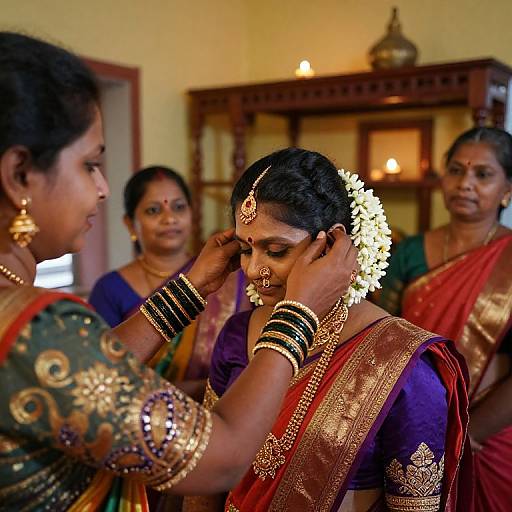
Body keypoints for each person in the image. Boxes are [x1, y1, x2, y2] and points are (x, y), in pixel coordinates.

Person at [0, 32, 358, 511]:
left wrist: (190, 289)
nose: (103, 188)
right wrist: (298, 312)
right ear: (20, 174)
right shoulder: (35, 328)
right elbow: (223, 456)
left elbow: (92, 375)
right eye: (89, 165)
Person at [184, 148, 471, 512]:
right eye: (246, 250)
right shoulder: (237, 334)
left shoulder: (403, 362)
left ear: (333, 244)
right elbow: (206, 474)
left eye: (276, 251)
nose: (255, 270)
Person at [378, 127, 512, 512]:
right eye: (456, 170)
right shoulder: (408, 253)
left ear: (507, 189)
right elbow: (384, 339)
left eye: (482, 174)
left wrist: (469, 434)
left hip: (491, 434)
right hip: (413, 425)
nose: (465, 183)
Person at [89, 167, 249, 398]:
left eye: (179, 207)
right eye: (154, 210)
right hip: (137, 419)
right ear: (130, 224)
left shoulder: (229, 277)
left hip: (223, 415)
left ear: (192, 213)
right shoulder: (109, 290)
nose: (170, 218)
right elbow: (99, 373)